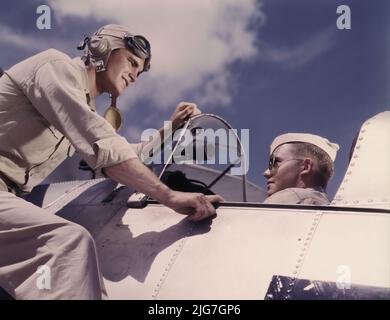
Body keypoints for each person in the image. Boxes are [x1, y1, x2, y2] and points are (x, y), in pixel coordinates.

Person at [0, 24, 223, 299]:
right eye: (131, 62)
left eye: (139, 71)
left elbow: (122, 155)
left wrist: (171, 128)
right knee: (67, 243)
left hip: (8, 197)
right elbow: (106, 147)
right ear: (100, 49)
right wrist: (169, 196)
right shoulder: (56, 68)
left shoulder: (82, 108)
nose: (134, 75)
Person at [263, 133, 339, 205]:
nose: (266, 173)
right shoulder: (326, 203)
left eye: (276, 163)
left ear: (306, 166)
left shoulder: (289, 198)